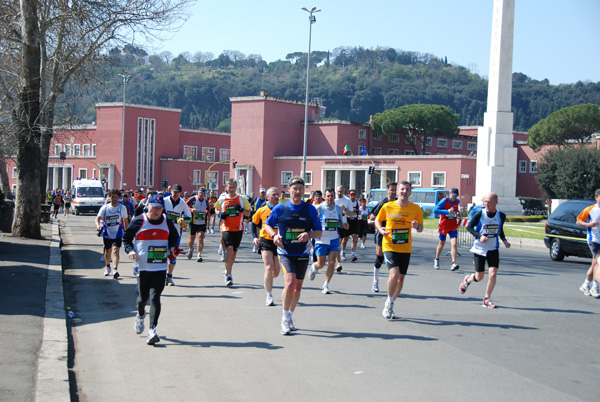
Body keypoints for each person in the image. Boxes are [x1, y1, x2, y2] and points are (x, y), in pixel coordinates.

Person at [265, 176, 322, 335]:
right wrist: (274, 236)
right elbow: (268, 225)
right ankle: (284, 317)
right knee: (289, 284)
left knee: (297, 288)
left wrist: (309, 234)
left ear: (304, 191)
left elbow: (319, 232)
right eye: (294, 188)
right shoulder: (281, 208)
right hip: (285, 252)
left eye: (300, 189)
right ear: (288, 189)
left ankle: (290, 314)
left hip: (303, 252)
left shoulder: (310, 209)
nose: (297, 192)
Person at [123, 193, 180, 345]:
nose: (156, 211)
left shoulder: (167, 221)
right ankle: (140, 314)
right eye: (154, 207)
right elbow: (126, 238)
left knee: (155, 297)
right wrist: (130, 251)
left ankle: (152, 330)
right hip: (142, 267)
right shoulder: (139, 220)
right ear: (147, 205)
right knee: (143, 299)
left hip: (160, 266)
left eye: (160, 208)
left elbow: (174, 237)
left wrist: (173, 248)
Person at [375, 181, 423, 319]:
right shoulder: (388, 206)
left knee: (401, 279)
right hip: (389, 245)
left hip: (405, 247)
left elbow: (421, 229)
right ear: (397, 192)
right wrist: (380, 229)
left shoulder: (415, 209)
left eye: (406, 189)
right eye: (401, 189)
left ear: (410, 192)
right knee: (394, 275)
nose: (404, 191)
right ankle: (389, 302)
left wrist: (416, 226)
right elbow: (378, 220)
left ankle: (390, 302)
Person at [459, 192, 511, 308]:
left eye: (489, 202)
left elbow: (500, 229)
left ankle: (487, 298)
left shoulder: (501, 215)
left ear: (496, 202)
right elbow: (469, 227)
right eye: (485, 202)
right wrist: (479, 236)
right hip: (479, 249)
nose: (486, 204)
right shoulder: (480, 214)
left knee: (493, 274)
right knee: (479, 277)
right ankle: (468, 280)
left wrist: (504, 240)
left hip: (493, 248)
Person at [308, 188, 348, 294]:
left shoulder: (339, 209)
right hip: (321, 240)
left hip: (334, 239)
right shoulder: (319, 208)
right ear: (324, 197)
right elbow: (312, 221)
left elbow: (341, 223)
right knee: (320, 264)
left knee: (331, 263)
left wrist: (344, 225)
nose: (330, 198)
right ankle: (313, 267)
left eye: (332, 196)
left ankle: (326, 285)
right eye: (328, 196)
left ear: (334, 197)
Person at [215, 178, 251, 286]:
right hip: (226, 228)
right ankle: (229, 276)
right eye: (229, 187)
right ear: (226, 188)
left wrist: (241, 210)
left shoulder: (242, 199)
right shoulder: (222, 199)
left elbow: (248, 213)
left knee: (234, 253)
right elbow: (215, 208)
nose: (231, 189)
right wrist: (219, 214)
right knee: (229, 250)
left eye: (233, 187)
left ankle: (227, 270)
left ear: (236, 188)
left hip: (238, 228)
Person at [252, 187, 281, 306]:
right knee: (268, 268)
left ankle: (268, 281)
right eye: (273, 194)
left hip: (279, 241)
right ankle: (269, 295)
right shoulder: (261, 210)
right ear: (268, 197)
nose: (276, 196)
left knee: (276, 272)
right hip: (265, 240)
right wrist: (255, 237)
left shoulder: (282, 210)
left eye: (277, 194)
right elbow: (254, 224)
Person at [369, 181, 397, 293]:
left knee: (395, 259)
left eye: (395, 190)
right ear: (387, 190)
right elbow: (372, 217)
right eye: (392, 190)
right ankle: (375, 280)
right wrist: (384, 218)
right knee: (380, 258)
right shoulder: (383, 203)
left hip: (395, 234)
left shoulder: (399, 203)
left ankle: (393, 282)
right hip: (382, 233)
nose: (394, 192)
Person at [95, 188, 129, 279]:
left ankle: (115, 269)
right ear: (109, 197)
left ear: (119, 198)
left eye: (116, 197)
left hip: (118, 233)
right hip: (107, 233)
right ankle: (107, 267)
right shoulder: (105, 208)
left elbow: (125, 221)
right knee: (107, 251)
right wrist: (98, 225)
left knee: (116, 250)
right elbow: (98, 218)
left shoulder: (122, 208)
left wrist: (127, 232)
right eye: (112, 197)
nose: (114, 199)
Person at [163, 184, 192, 286]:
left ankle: (169, 276)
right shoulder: (165, 201)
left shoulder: (183, 204)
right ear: (171, 191)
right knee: (161, 254)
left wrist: (184, 220)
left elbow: (189, 217)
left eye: (177, 192)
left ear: (180, 193)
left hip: (176, 233)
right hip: (163, 232)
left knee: (173, 255)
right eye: (174, 192)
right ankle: (160, 275)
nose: (175, 194)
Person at [576, 189, 600, 298]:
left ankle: (586, 284)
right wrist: (589, 225)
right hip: (593, 240)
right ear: (596, 198)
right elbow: (578, 221)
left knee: (595, 264)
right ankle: (595, 286)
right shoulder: (590, 209)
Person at [433, 187, 461, 271]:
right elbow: (435, 210)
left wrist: (458, 213)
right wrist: (446, 211)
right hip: (444, 225)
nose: (455, 197)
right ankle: (437, 259)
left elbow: (456, 210)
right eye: (453, 195)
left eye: (456, 196)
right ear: (450, 194)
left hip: (453, 225)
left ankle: (453, 263)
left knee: (454, 243)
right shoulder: (444, 201)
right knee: (441, 244)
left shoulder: (457, 201)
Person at [187, 188, 210, 262]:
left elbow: (208, 209)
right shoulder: (193, 199)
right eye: (199, 193)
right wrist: (191, 210)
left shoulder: (206, 201)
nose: (201, 194)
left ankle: (199, 254)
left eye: (202, 193)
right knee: (192, 238)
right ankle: (190, 249)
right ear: (197, 193)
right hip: (193, 222)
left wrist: (207, 211)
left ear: (204, 194)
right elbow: (185, 206)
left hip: (202, 222)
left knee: (200, 237)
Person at [334, 185, 353, 271]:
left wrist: (344, 209)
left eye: (341, 192)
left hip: (343, 223)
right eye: (338, 191)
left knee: (342, 241)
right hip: (334, 224)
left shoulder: (347, 200)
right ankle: (338, 263)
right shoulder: (333, 199)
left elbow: (351, 214)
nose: (339, 193)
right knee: (337, 243)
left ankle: (336, 256)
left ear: (344, 192)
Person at [343, 189, 360, 262]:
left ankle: (353, 254)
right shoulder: (347, 202)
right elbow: (344, 211)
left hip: (354, 221)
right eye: (351, 195)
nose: (352, 197)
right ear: (349, 196)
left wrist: (357, 211)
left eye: (354, 195)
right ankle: (343, 251)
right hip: (347, 220)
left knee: (354, 238)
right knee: (345, 238)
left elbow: (359, 212)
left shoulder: (357, 202)